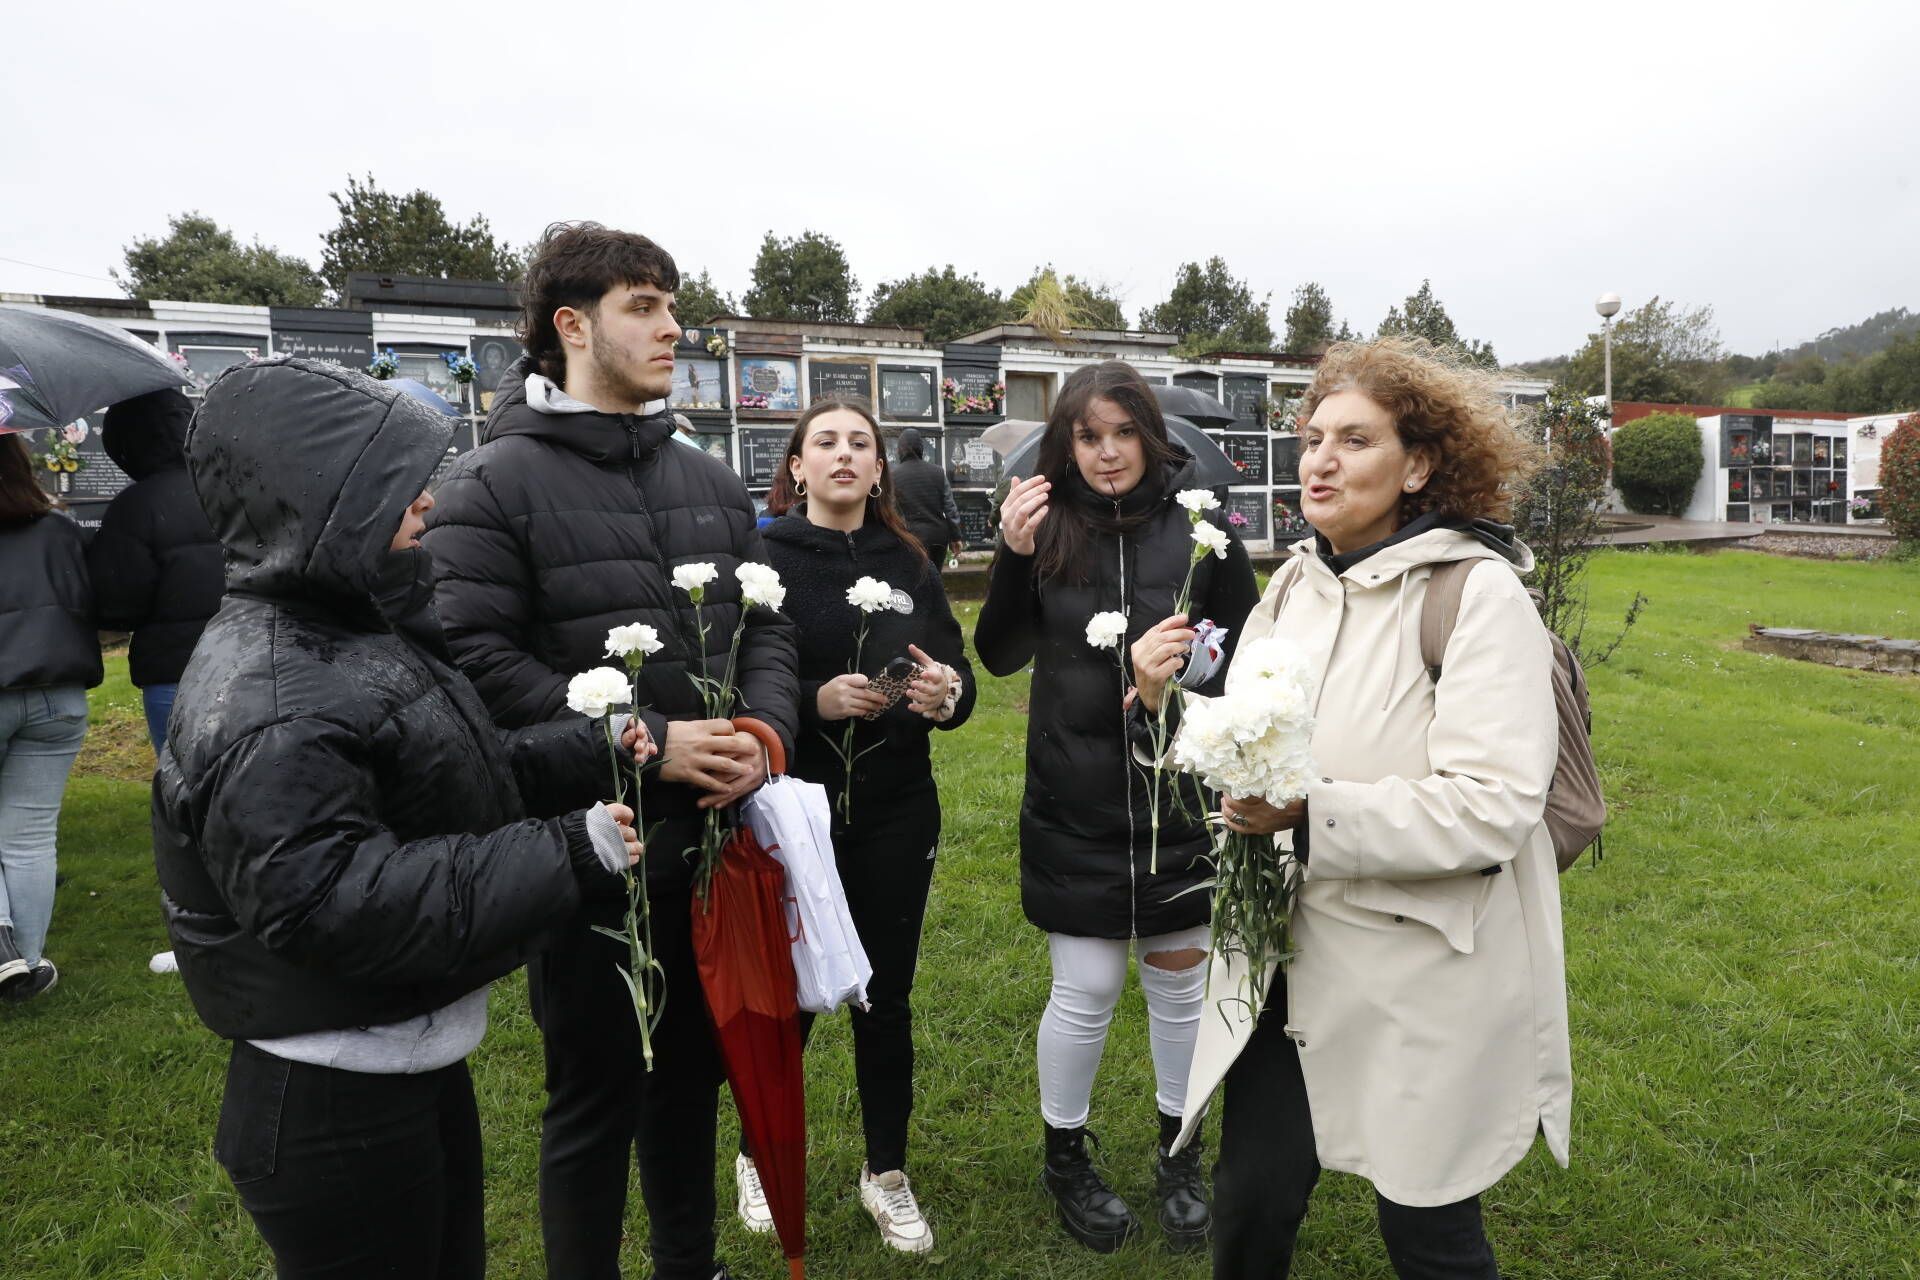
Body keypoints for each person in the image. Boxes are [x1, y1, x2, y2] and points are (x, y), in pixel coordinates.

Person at [152, 357, 650, 1278]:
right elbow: (328, 901)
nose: (425, 505)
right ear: (322, 501)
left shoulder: (346, 629)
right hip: (333, 1104)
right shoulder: (276, 694)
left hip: (395, 1065)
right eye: (396, 487)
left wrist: (596, 751)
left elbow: (445, 771)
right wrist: (569, 851)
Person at [1140, 337, 1568, 1279]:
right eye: (1313, 438)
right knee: (1248, 1208)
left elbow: (1493, 806)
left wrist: (1305, 815)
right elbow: (1243, 738)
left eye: (1356, 440)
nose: (1321, 461)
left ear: (1419, 466)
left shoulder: (1476, 593)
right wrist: (1164, 702)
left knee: (1430, 1232)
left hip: (1418, 969)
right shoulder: (1292, 587)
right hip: (1284, 955)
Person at [423, 222, 798, 1280]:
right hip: (589, 845)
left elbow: (765, 625)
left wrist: (760, 736)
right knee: (594, 1094)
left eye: (673, 304)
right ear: (571, 325)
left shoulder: (713, 482)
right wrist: (643, 743)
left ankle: (691, 1265)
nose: (673, 326)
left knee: (690, 1081)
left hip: (718, 844)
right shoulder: (491, 486)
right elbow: (471, 663)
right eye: (645, 304)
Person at [973, 360, 1259, 1254]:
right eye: (1087, 437)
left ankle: (1181, 1154)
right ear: (1065, 444)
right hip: (1077, 797)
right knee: (1087, 987)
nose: (1106, 454)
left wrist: (1176, 673)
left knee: (1179, 988)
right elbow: (1001, 653)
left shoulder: (1203, 529)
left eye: (1122, 434)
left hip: (1179, 796)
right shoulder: (1046, 527)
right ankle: (1067, 1157)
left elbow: (1244, 659)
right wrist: (1013, 560)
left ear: (1151, 436)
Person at [731, 399, 976, 1253]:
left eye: (860, 444)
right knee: (787, 995)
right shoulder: (759, 555)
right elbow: (725, 686)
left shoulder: (909, 561)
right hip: (792, 809)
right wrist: (813, 701)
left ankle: (887, 1173)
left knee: (886, 996)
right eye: (824, 443)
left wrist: (948, 696)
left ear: (880, 470)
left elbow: (959, 672)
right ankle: (758, 1153)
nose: (843, 456)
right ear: (796, 466)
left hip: (897, 805)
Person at [0, 433, 99, 1002]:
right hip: (58, 694)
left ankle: (4, 953)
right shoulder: (60, 530)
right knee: (30, 838)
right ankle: (26, 964)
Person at [85, 388, 224, 748]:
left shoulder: (134, 507)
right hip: (257, 658)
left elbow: (119, 604)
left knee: (184, 787)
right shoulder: (239, 488)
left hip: (175, 671)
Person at [889, 427, 963, 567]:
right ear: (921, 447)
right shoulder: (938, 472)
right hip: (938, 537)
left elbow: (892, 511)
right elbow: (950, 508)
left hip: (910, 538)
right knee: (935, 577)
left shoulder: (893, 476)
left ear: (900, 449)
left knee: (915, 580)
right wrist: (956, 537)